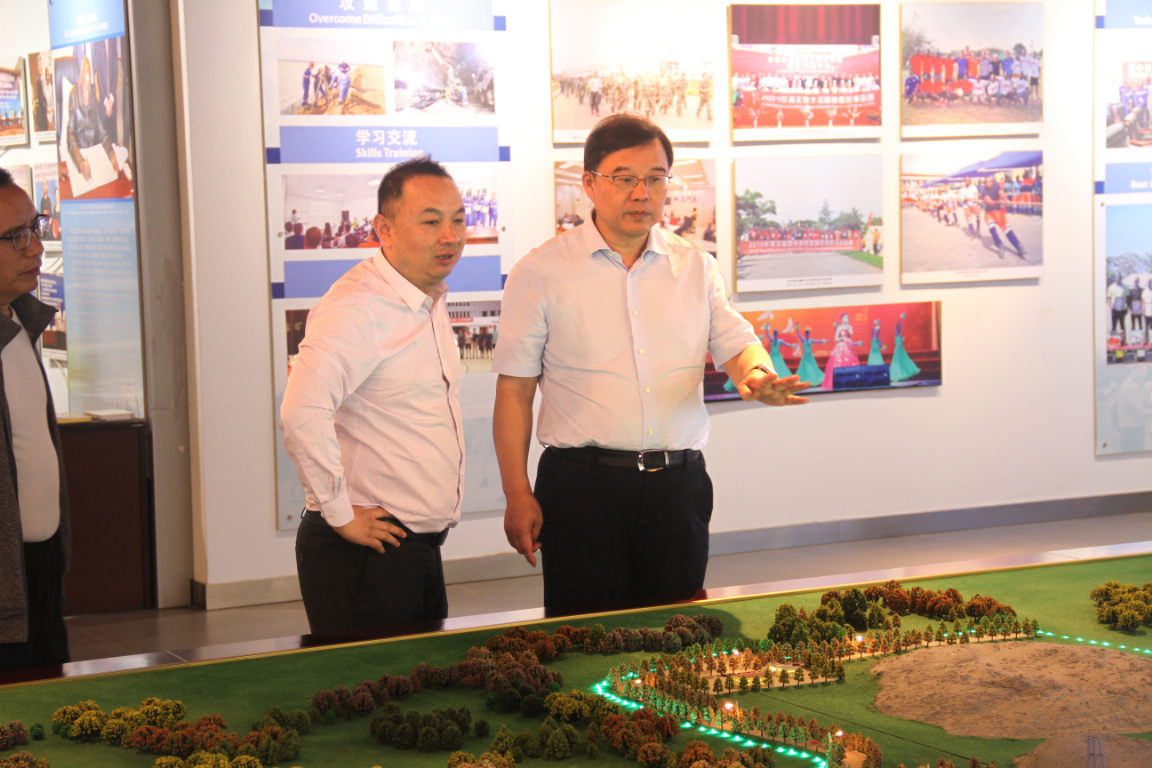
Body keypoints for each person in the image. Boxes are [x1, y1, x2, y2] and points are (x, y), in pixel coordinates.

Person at [492, 114, 809, 613]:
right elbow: (514, 391)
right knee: (587, 634)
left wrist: (757, 375)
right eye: (624, 179)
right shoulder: (540, 272)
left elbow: (736, 343)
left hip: (677, 488)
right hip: (583, 489)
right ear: (590, 183)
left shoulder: (696, 266)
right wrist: (516, 492)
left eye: (656, 179)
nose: (642, 193)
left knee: (677, 629)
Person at [280, 157, 467, 634]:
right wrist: (341, 514)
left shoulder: (425, 297)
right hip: (365, 555)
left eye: (458, 220)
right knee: (376, 682)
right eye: (430, 222)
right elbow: (301, 412)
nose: (450, 236)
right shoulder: (358, 307)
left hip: (412, 549)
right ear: (384, 229)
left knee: (423, 679)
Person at [0, 168, 71, 671]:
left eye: (35, 227)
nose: (36, 248)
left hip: (38, 570)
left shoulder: (20, 322)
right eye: (16, 236)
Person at [66, 57, 120, 183]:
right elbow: (70, 135)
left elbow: (102, 132)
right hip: (80, 154)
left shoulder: (93, 97)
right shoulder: (73, 95)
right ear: (80, 79)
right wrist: (80, 162)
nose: (87, 94)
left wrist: (111, 153)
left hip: (93, 155)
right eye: (85, 88)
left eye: (89, 88)